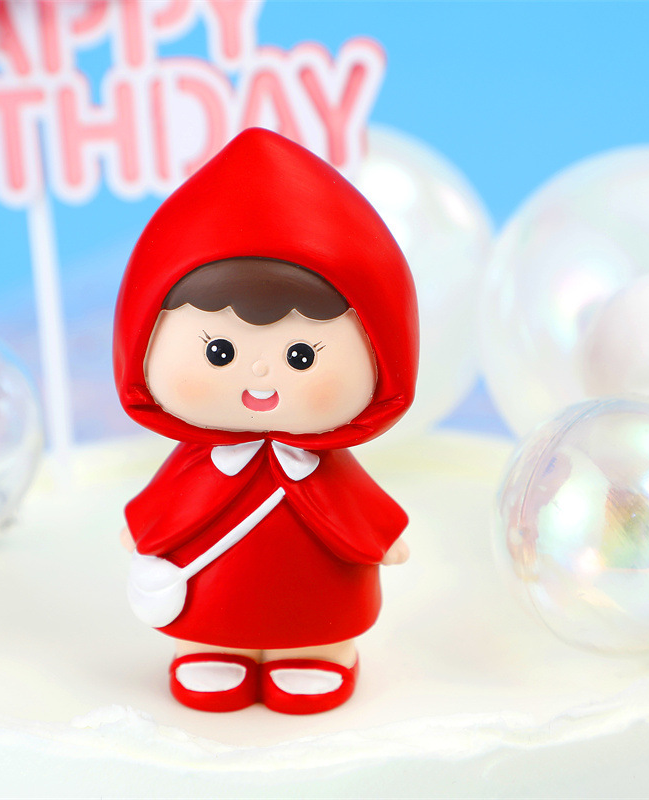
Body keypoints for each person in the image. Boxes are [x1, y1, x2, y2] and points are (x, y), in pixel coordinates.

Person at [113, 128, 418, 714]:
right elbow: (173, 499)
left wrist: (382, 535)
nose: (259, 375)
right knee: (209, 618)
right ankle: (211, 648)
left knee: (318, 616)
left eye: (301, 356)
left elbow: (353, 502)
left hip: (319, 596)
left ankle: (318, 652)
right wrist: (143, 527)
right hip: (208, 599)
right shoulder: (202, 458)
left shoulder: (320, 462)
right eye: (219, 352)